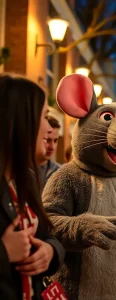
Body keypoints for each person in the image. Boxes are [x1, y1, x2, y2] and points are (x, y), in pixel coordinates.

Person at [0, 73, 65, 299]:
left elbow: (49, 235)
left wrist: (50, 252)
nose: (50, 128)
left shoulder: (25, 179)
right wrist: (4, 252)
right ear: (20, 120)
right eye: (45, 116)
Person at [37, 116, 61, 189]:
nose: (52, 147)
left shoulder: (60, 172)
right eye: (47, 140)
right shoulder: (22, 170)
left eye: (55, 141)